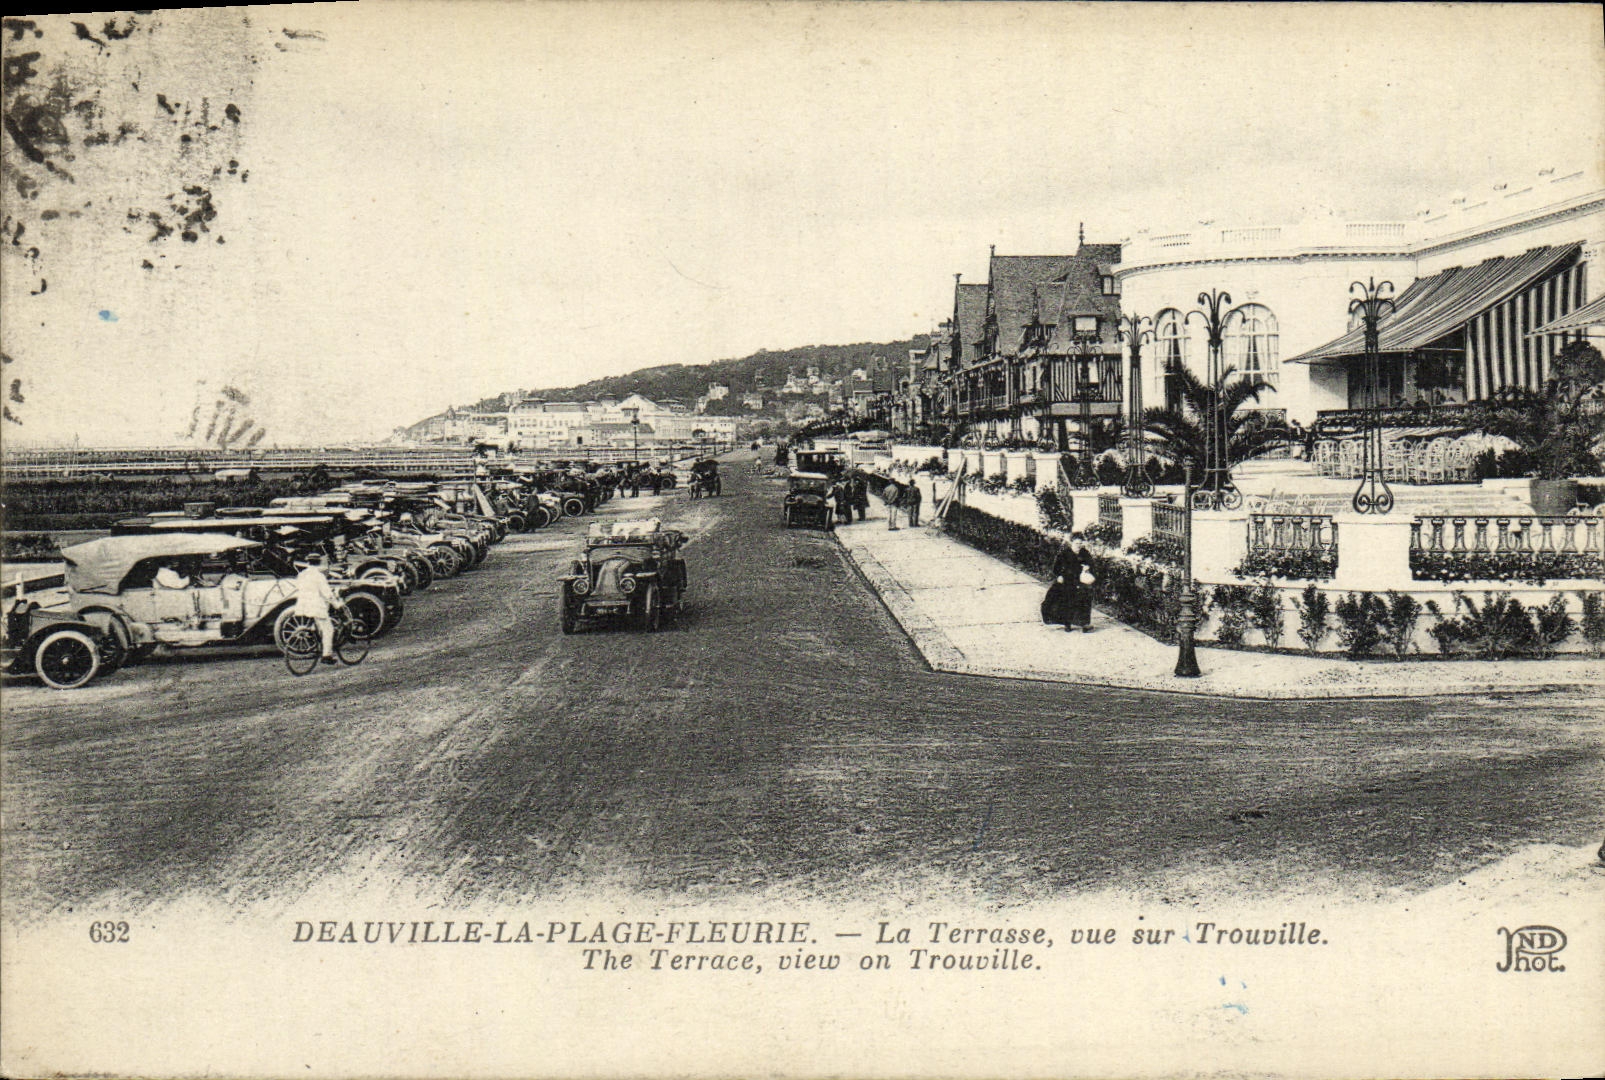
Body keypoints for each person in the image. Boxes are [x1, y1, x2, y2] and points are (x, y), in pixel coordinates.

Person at [294, 552, 346, 664]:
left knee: (317, 624)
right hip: (316, 606)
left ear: (308, 562)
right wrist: (337, 604)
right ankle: (326, 655)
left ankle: (314, 634)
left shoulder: (301, 574)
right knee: (329, 630)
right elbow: (327, 594)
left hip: (303, 606)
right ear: (319, 562)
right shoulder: (319, 576)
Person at [1042, 543, 1095, 632]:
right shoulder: (1065, 553)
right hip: (1068, 581)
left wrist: (1088, 567)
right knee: (1067, 601)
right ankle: (1067, 624)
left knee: (1084, 601)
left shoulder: (1084, 553)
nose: (1078, 546)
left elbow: (1092, 564)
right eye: (1076, 543)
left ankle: (1084, 625)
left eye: (1080, 543)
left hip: (1081, 581)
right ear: (1072, 543)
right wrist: (1059, 575)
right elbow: (1056, 567)